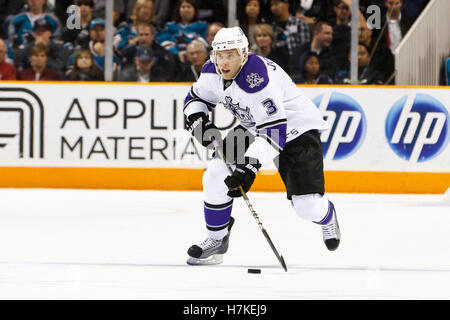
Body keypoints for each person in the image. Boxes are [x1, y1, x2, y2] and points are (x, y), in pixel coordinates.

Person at [183, 27, 340, 266]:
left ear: (244, 55)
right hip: (255, 127)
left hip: (296, 130)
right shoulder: (211, 72)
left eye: (231, 55)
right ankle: (217, 238)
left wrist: (248, 169)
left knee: (307, 207)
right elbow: (195, 98)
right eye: (220, 54)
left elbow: (275, 133)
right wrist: (198, 121)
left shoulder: (258, 79)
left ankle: (327, 216)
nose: (223, 62)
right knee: (215, 174)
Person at [269, 0, 311, 75]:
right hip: (280, 68)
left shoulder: (300, 23)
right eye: (272, 5)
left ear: (286, 4)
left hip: (299, 66)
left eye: (277, 3)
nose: (274, 7)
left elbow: (306, 47)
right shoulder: (272, 28)